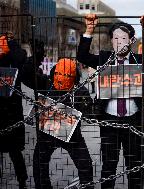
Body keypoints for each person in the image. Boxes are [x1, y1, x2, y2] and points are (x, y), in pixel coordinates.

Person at [77, 13, 144, 189]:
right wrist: (89, 30)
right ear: (111, 41)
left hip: (134, 120)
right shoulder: (104, 59)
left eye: (124, 38)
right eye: (116, 38)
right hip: (109, 121)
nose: (120, 42)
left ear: (131, 40)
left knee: (135, 167)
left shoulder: (138, 61)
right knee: (108, 166)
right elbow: (82, 56)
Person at [22, 58, 94, 189]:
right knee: (39, 164)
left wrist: (87, 106)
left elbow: (90, 111)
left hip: (71, 136)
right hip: (46, 134)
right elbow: (25, 75)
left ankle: (87, 186)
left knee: (85, 164)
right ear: (54, 73)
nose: (62, 78)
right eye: (59, 74)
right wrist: (35, 57)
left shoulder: (79, 90)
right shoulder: (46, 83)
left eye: (67, 75)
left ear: (74, 77)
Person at [0, 32, 28, 189]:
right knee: (13, 150)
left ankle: (22, 179)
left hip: (11, 109)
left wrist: (10, 45)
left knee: (14, 150)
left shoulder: (16, 53)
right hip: (5, 108)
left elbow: (20, 58)